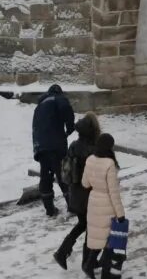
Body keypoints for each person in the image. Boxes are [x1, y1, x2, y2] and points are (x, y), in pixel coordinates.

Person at [53, 113, 101, 269]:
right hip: (88, 195)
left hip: (75, 194)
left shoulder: (74, 145)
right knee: (91, 226)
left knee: (83, 224)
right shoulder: (92, 149)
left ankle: (63, 252)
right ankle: (87, 262)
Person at [81, 133, 125, 277]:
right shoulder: (109, 164)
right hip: (107, 205)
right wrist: (120, 214)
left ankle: (89, 265)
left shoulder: (90, 160)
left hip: (93, 203)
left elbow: (85, 183)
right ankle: (106, 274)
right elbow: (113, 192)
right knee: (110, 241)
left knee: (99, 238)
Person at [32, 83, 76, 218]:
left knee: (46, 177)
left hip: (40, 146)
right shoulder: (58, 98)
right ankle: (73, 207)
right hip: (55, 145)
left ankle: (49, 209)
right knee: (63, 175)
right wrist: (69, 128)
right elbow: (66, 109)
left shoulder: (40, 105)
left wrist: (38, 147)